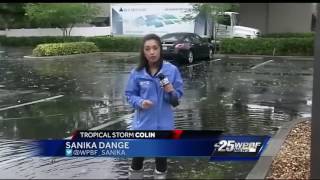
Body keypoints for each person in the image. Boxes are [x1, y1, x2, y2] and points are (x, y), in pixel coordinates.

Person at [125, 33, 184, 179]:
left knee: (161, 162)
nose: (152, 52)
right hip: (142, 126)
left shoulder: (171, 71)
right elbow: (129, 95)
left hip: (164, 126)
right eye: (147, 49)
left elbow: (176, 100)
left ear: (160, 49)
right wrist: (140, 102)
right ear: (143, 52)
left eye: (155, 48)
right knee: (137, 160)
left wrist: (171, 91)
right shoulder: (137, 73)